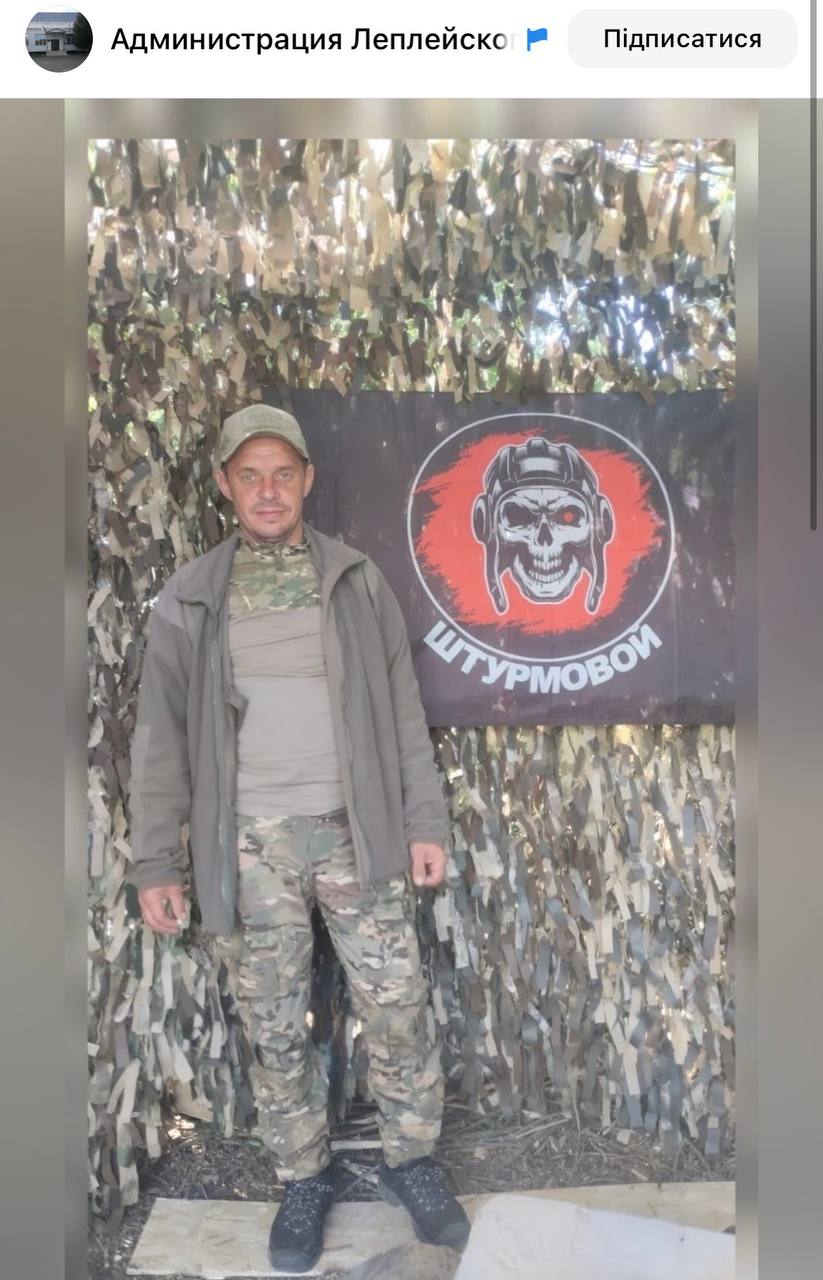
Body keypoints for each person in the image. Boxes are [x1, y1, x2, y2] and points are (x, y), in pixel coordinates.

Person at [128, 404, 470, 1273]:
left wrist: (423, 823)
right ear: (224, 485)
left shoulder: (354, 581)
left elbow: (402, 713)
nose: (268, 490)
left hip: (356, 832)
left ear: (308, 479)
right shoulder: (192, 596)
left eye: (283, 473)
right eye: (249, 475)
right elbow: (160, 740)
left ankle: (411, 1161)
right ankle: (303, 1177)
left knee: (395, 1003)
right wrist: (157, 862)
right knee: (275, 1023)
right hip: (250, 846)